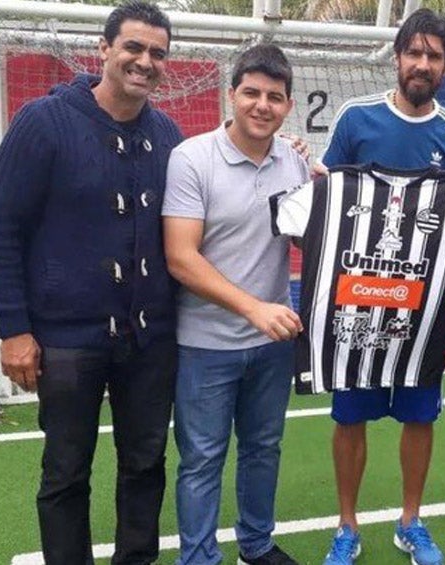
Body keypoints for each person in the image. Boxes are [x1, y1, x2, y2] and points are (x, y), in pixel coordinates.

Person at [0, 2, 182, 563]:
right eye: (134, 48)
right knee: (66, 471)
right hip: (67, 340)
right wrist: (14, 329)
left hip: (148, 341)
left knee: (145, 464)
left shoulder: (167, 134)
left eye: (157, 53)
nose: (145, 62)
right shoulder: (43, 123)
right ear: (104, 49)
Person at [315, 8, 445, 565]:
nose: (422, 64)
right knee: (350, 416)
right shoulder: (355, 120)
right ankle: (347, 526)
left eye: (434, 55)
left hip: (421, 313)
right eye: (414, 52)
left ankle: (411, 521)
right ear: (398, 57)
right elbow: (327, 200)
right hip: (357, 305)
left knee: (419, 415)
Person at [162, 44, 309, 565]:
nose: (261, 105)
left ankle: (256, 544)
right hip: (205, 344)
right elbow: (181, 257)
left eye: (274, 96)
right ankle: (199, 557)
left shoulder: (294, 159)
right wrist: (253, 308)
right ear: (232, 95)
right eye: (251, 93)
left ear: (288, 105)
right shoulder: (191, 158)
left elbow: (309, 235)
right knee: (201, 459)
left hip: (271, 345)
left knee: (263, 450)